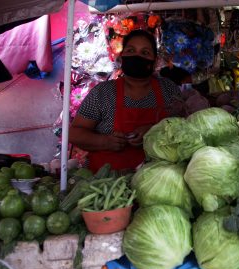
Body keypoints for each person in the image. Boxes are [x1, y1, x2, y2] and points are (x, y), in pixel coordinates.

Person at [69, 29, 182, 172]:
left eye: (145, 53)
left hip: (157, 179)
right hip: (106, 182)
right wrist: (105, 142)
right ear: (122, 56)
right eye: (131, 50)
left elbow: (183, 127)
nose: (137, 56)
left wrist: (154, 132)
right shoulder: (103, 92)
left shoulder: (168, 89)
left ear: (155, 61)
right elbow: (74, 133)